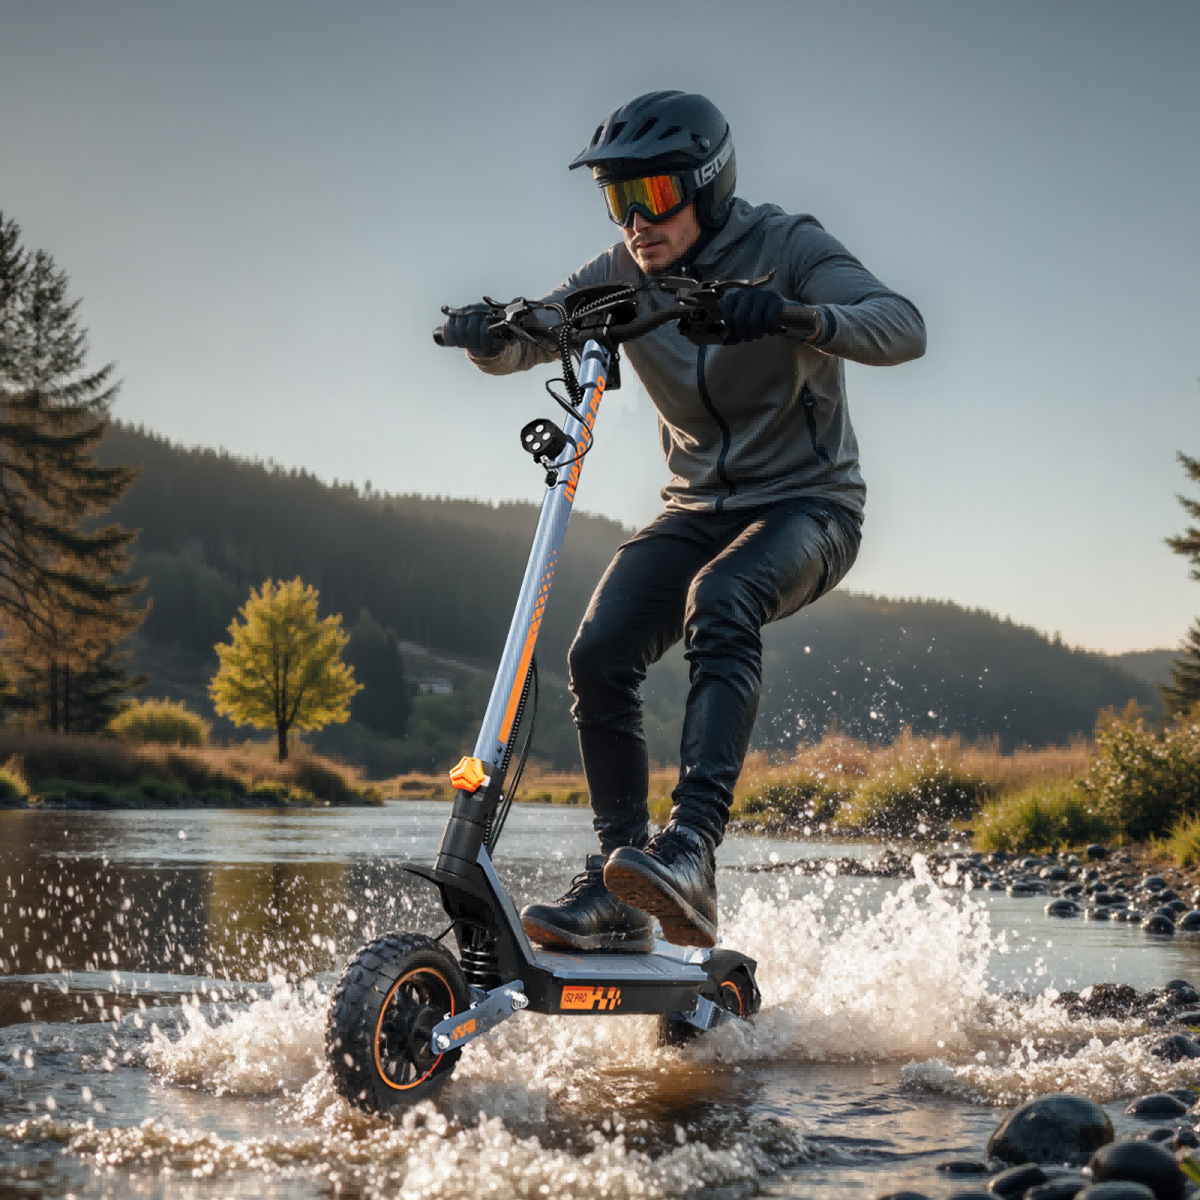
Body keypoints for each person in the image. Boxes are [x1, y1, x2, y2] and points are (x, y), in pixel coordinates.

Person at [440, 91, 925, 950]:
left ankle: (693, 851)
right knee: (597, 652)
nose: (635, 222)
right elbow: (534, 335)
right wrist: (489, 334)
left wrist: (788, 313)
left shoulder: (788, 246)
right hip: (695, 508)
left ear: (707, 187)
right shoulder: (622, 275)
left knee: (722, 597)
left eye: (652, 196)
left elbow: (902, 327)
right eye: (615, 200)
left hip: (809, 507)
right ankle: (623, 880)